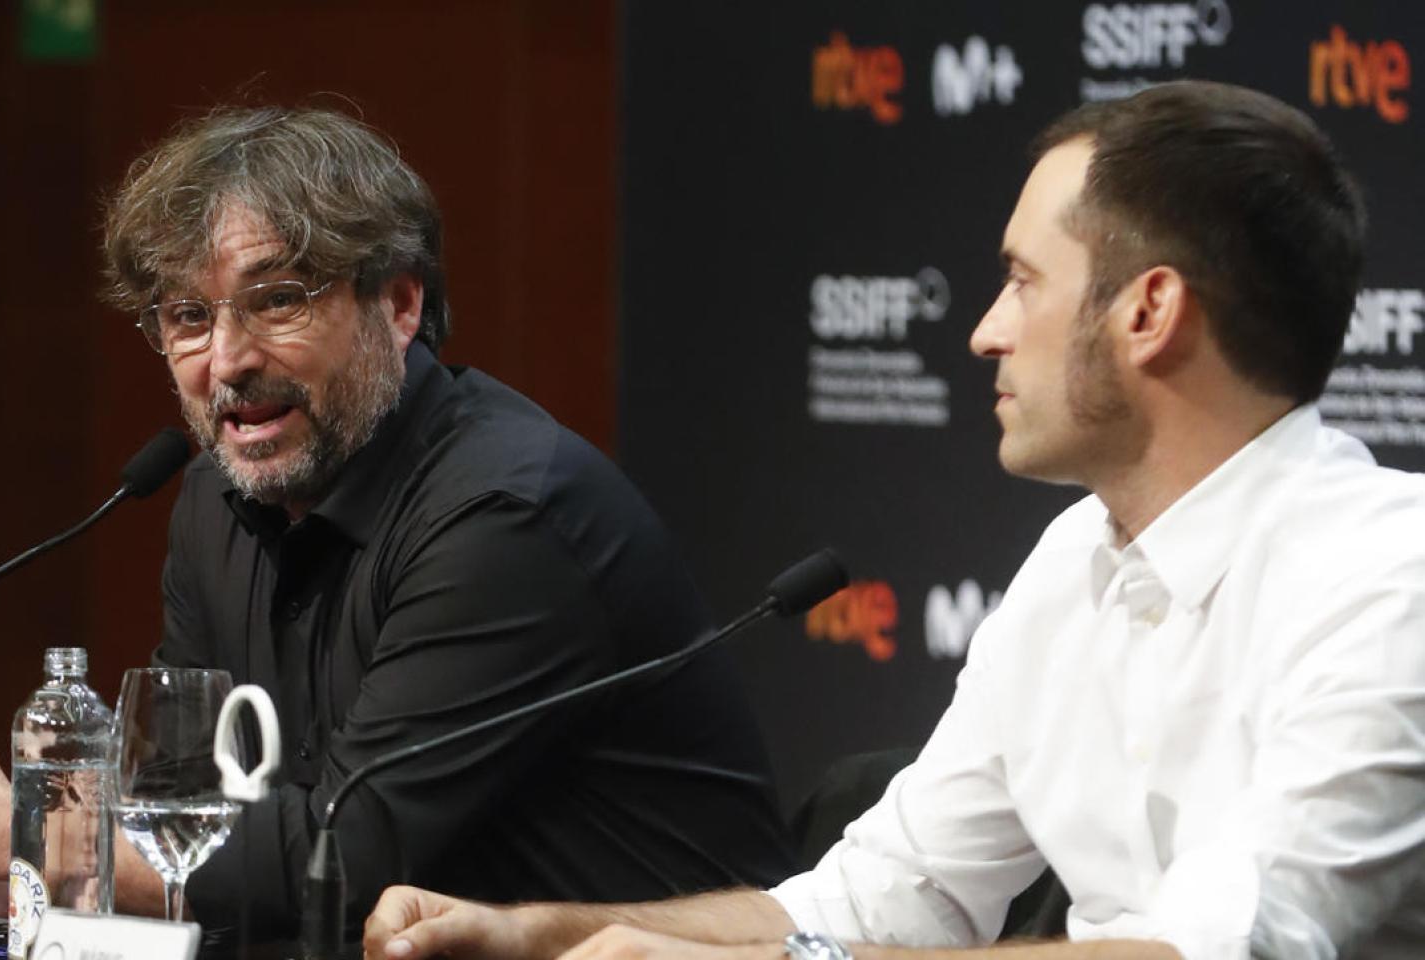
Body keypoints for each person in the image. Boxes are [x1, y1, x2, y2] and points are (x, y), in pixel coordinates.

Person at [361, 81, 1425, 960]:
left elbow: (1222, 952)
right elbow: (868, 904)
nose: (981, 332)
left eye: (1019, 281)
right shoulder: (1072, 562)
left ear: (1146, 312)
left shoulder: (1387, 578)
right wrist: (543, 934)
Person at [0, 107, 798, 943]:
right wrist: (31, 900)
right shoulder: (214, 499)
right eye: (187, 318)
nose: (227, 360)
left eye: (278, 300)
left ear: (397, 305)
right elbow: (191, 825)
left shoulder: (506, 513)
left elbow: (345, 856)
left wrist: (33, 834)